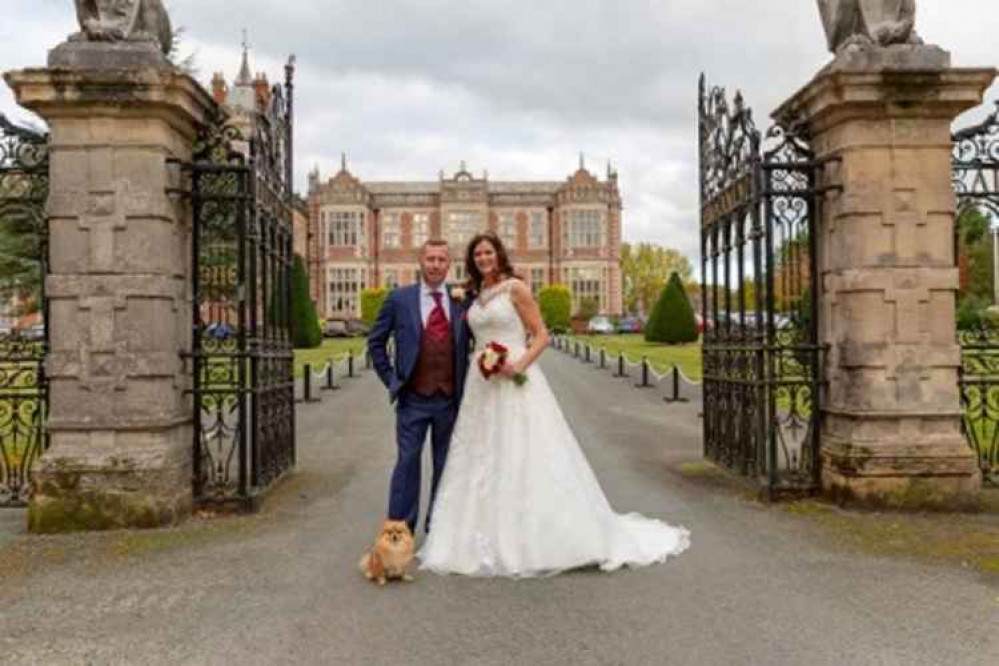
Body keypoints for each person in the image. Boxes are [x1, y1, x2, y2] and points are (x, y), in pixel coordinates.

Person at [419, 232, 690, 577]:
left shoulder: (516, 288)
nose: (483, 258)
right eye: (477, 254)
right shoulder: (475, 295)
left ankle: (540, 537)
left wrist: (518, 364)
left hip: (516, 374)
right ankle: (473, 534)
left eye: (488, 252)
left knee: (524, 451)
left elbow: (542, 335)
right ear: (472, 261)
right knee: (481, 455)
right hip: (482, 383)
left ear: (499, 254)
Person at [367, 240, 472, 535]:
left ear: (449, 264)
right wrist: (392, 380)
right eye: (430, 259)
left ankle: (438, 528)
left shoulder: (462, 300)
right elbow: (376, 342)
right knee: (407, 463)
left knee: (446, 466)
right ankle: (400, 531)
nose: (436, 264)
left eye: (441, 259)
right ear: (420, 262)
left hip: (450, 400)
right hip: (413, 398)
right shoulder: (399, 299)